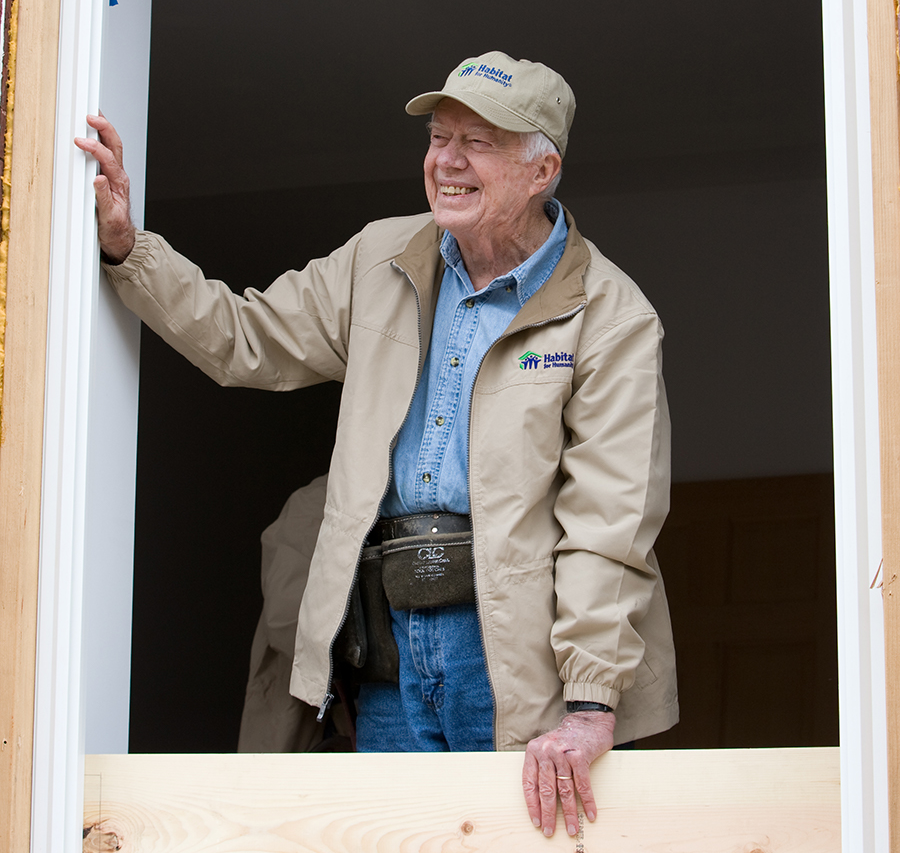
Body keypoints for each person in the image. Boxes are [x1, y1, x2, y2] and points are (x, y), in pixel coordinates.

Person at [75, 51, 677, 838]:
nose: (447, 161)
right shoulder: (379, 258)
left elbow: (610, 525)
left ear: (542, 170)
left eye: (478, 142)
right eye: (438, 137)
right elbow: (246, 338)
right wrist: (128, 248)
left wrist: (590, 703)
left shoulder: (610, 315)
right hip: (388, 640)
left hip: (513, 658)